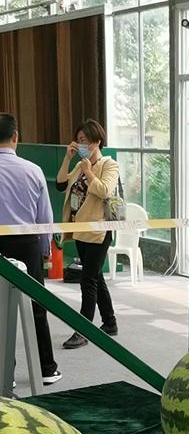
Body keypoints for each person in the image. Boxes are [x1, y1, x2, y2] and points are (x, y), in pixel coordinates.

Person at [0, 113, 62, 386]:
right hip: (27, 243)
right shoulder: (33, 170)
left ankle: (4, 375)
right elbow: (44, 216)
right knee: (37, 305)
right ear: (16, 137)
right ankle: (46, 368)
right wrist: (46, 247)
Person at [56, 119, 119, 348]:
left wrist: (89, 172)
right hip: (80, 230)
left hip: (98, 231)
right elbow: (61, 184)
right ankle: (110, 322)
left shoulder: (108, 164)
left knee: (88, 280)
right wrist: (68, 158)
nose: (81, 144)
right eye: (79, 140)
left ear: (97, 141)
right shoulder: (79, 165)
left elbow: (104, 191)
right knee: (95, 276)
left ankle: (83, 331)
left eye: (85, 141)